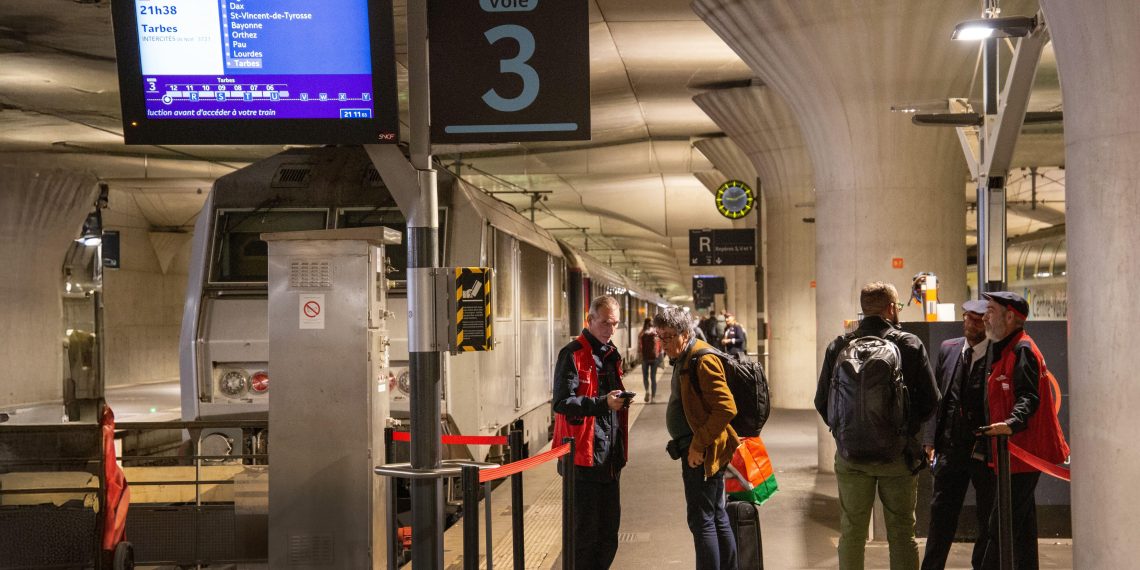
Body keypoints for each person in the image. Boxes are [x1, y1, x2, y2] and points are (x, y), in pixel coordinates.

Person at [815, 281, 940, 570]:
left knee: (852, 533)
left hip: (851, 457)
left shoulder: (839, 345)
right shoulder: (909, 345)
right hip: (898, 457)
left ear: (864, 308)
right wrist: (905, 432)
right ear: (892, 308)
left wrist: (846, 433)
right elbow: (932, 400)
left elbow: (822, 401)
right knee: (902, 533)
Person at [976, 291, 1068, 570]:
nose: (984, 317)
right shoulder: (1005, 348)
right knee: (1022, 523)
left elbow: (1029, 397)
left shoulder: (1022, 350)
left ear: (1010, 317)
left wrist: (1011, 424)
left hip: (1024, 453)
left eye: (990, 310)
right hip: (1015, 453)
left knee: (1001, 523)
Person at [655, 307, 740, 570]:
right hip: (698, 448)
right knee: (714, 514)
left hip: (702, 451)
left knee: (702, 520)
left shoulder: (701, 360)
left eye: (668, 337)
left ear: (685, 333)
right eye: (660, 337)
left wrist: (697, 445)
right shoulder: (684, 357)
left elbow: (726, 407)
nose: (663, 343)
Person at [552, 295, 630, 570]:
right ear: (590, 320)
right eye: (606, 323)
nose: (611, 329)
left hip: (610, 459)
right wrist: (602, 403)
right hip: (582, 460)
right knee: (584, 536)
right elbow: (562, 402)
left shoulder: (611, 355)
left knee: (608, 535)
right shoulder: (572, 354)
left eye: (615, 324)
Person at [920, 300, 995, 570]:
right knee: (941, 516)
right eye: (967, 318)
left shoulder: (998, 354)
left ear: (988, 322)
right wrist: (930, 439)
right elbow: (936, 399)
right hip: (951, 448)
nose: (970, 324)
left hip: (984, 450)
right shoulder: (949, 349)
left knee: (988, 517)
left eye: (977, 319)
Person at [638, 318, 662, 403]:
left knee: (645, 377)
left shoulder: (642, 333)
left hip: (645, 358)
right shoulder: (656, 333)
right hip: (654, 358)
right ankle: (653, 398)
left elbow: (639, 346)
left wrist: (640, 356)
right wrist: (659, 356)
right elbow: (659, 345)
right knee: (653, 378)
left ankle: (647, 391)